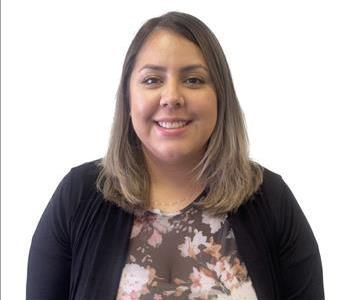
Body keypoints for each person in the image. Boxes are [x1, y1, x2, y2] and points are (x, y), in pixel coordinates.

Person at [26, 11, 324, 300]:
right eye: (152, 80)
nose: (172, 97)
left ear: (221, 97)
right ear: (128, 98)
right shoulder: (78, 196)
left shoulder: (271, 199)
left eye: (193, 80)